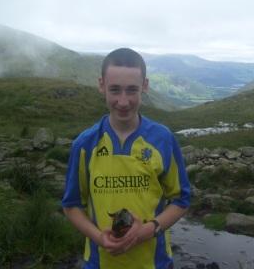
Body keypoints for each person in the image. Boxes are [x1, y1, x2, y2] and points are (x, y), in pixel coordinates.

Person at [62, 48, 191, 269]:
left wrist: (148, 230)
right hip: (99, 263)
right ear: (101, 85)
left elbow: (181, 200)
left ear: (145, 86)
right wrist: (98, 237)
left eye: (132, 90)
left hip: (155, 263)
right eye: (115, 90)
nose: (123, 102)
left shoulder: (163, 139)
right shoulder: (84, 145)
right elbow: (72, 205)